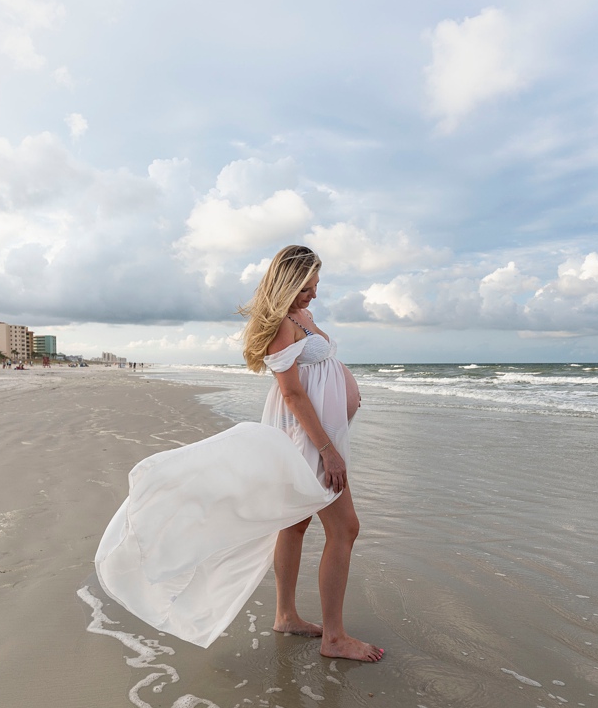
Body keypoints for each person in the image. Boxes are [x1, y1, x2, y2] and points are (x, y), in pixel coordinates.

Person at [92, 245, 382, 662]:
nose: (314, 295)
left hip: (319, 436)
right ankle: (333, 637)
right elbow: (293, 392)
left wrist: (348, 394)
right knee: (345, 529)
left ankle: (285, 616)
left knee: (295, 526)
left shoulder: (303, 316)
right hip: (309, 441)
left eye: (317, 286)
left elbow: (322, 368)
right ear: (287, 283)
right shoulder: (283, 324)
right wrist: (328, 450)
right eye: (307, 287)